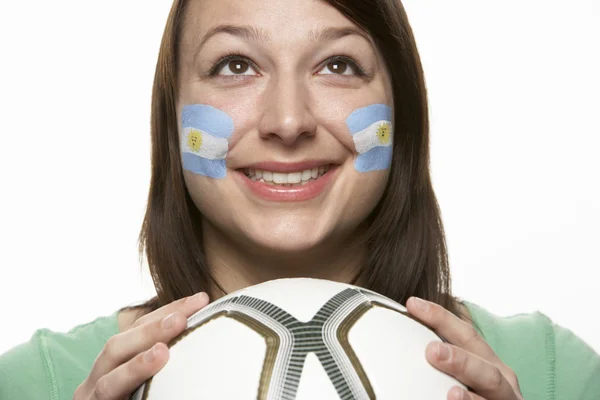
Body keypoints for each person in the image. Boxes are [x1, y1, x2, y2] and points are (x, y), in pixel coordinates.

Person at [1, 0, 598, 399]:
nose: (288, 121)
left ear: (403, 109)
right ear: (171, 112)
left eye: (337, 65)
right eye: (235, 65)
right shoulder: (41, 383)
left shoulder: (552, 373)